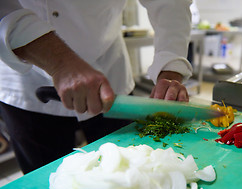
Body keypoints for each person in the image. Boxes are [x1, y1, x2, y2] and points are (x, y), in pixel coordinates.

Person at [0, 0, 193, 174]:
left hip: (110, 71)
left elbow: (170, 2)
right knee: (44, 181)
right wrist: (60, 63)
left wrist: (170, 67)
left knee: (131, 170)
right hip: (28, 79)